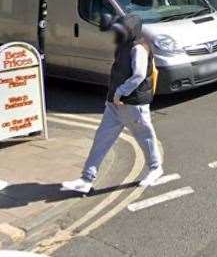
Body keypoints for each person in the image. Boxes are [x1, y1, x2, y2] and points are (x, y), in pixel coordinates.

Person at [62, 14, 163, 194]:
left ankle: (155, 169)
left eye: (123, 30)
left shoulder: (138, 48)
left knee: (145, 136)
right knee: (101, 139)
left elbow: (139, 75)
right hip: (115, 104)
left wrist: (120, 91)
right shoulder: (125, 44)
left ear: (132, 31)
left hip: (132, 103)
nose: (118, 33)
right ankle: (86, 179)